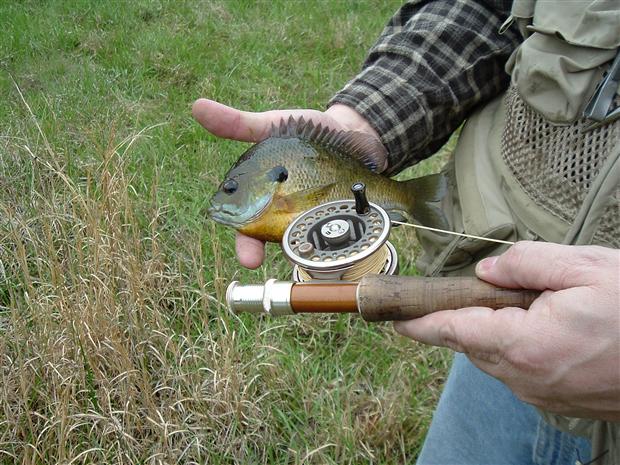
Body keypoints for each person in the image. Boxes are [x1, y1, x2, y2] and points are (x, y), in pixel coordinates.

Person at [193, 1, 620, 463]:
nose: (226, 197)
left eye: (234, 189)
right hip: (495, 301)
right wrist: (365, 121)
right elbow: (482, 8)